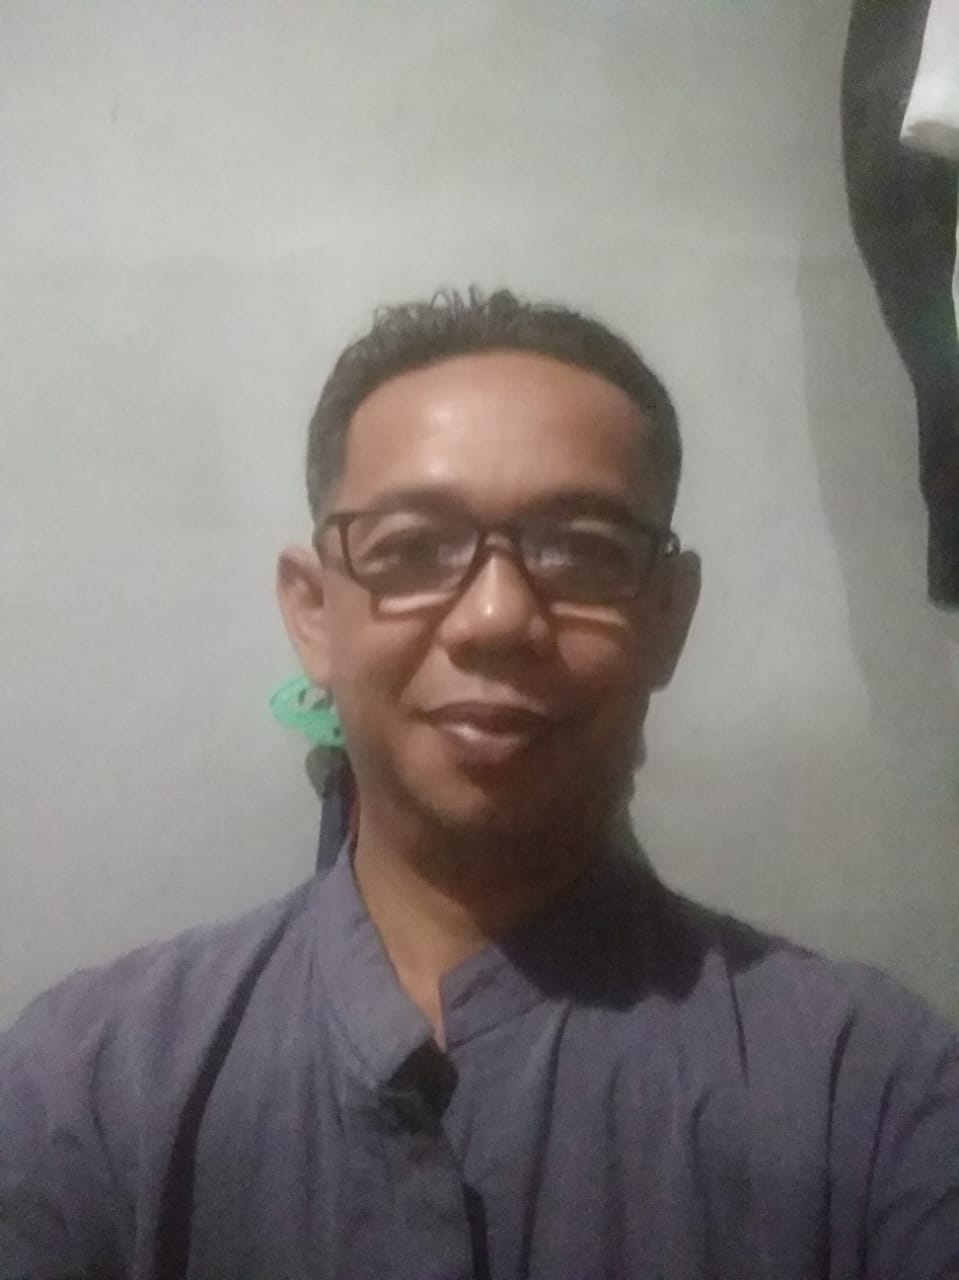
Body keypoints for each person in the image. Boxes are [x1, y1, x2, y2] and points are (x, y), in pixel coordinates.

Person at [1, 289, 956, 1279]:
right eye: (412, 549)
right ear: (314, 612)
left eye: (581, 550)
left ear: (669, 616)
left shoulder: (870, 1096)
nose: (496, 618)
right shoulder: (87, 1088)